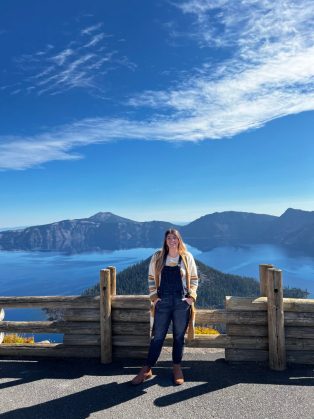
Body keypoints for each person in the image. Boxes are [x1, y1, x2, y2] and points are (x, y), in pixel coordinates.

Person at [131, 228, 198, 385]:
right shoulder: (158, 257)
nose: (172, 240)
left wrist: (191, 298)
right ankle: (147, 368)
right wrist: (154, 298)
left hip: (182, 303)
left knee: (179, 337)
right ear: (165, 241)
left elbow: (194, 279)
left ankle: (176, 367)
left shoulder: (187, 257)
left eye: (175, 238)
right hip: (163, 303)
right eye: (169, 238)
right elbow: (150, 279)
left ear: (179, 240)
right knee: (158, 336)